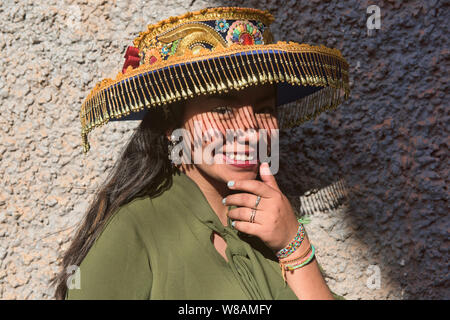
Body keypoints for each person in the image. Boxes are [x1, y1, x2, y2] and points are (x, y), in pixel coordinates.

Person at [51, 6, 350, 300]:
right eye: (222, 109)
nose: (249, 131)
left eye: (263, 110)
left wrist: (293, 244)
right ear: (171, 123)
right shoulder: (132, 232)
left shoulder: (274, 224)